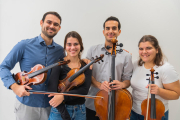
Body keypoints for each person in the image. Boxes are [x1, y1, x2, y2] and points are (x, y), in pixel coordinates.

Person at [0, 11, 64, 120]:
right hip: (27, 105)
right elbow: (3, 67)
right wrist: (14, 87)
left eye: (56, 24)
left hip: (50, 106)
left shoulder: (60, 51)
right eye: (49, 22)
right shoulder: (24, 45)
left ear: (59, 28)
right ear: (41, 23)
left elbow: (64, 73)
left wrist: (84, 61)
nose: (52, 26)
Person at [85, 16, 133, 120]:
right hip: (93, 103)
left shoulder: (126, 56)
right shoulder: (93, 50)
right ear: (103, 31)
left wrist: (122, 84)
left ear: (119, 31)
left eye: (114, 28)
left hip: (117, 105)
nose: (110, 31)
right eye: (108, 28)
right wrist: (99, 85)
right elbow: (87, 74)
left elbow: (128, 80)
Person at [130, 35, 180, 120]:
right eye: (141, 49)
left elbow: (176, 95)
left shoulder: (166, 68)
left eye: (148, 48)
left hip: (155, 114)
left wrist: (159, 91)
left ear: (157, 50)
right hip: (134, 112)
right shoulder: (136, 64)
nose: (144, 52)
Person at [48, 31, 92, 120]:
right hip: (59, 111)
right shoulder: (58, 64)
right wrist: (64, 114)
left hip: (80, 111)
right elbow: (52, 91)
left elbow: (84, 90)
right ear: (65, 46)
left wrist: (63, 96)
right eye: (69, 44)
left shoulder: (86, 66)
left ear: (80, 46)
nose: (72, 47)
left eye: (76, 44)